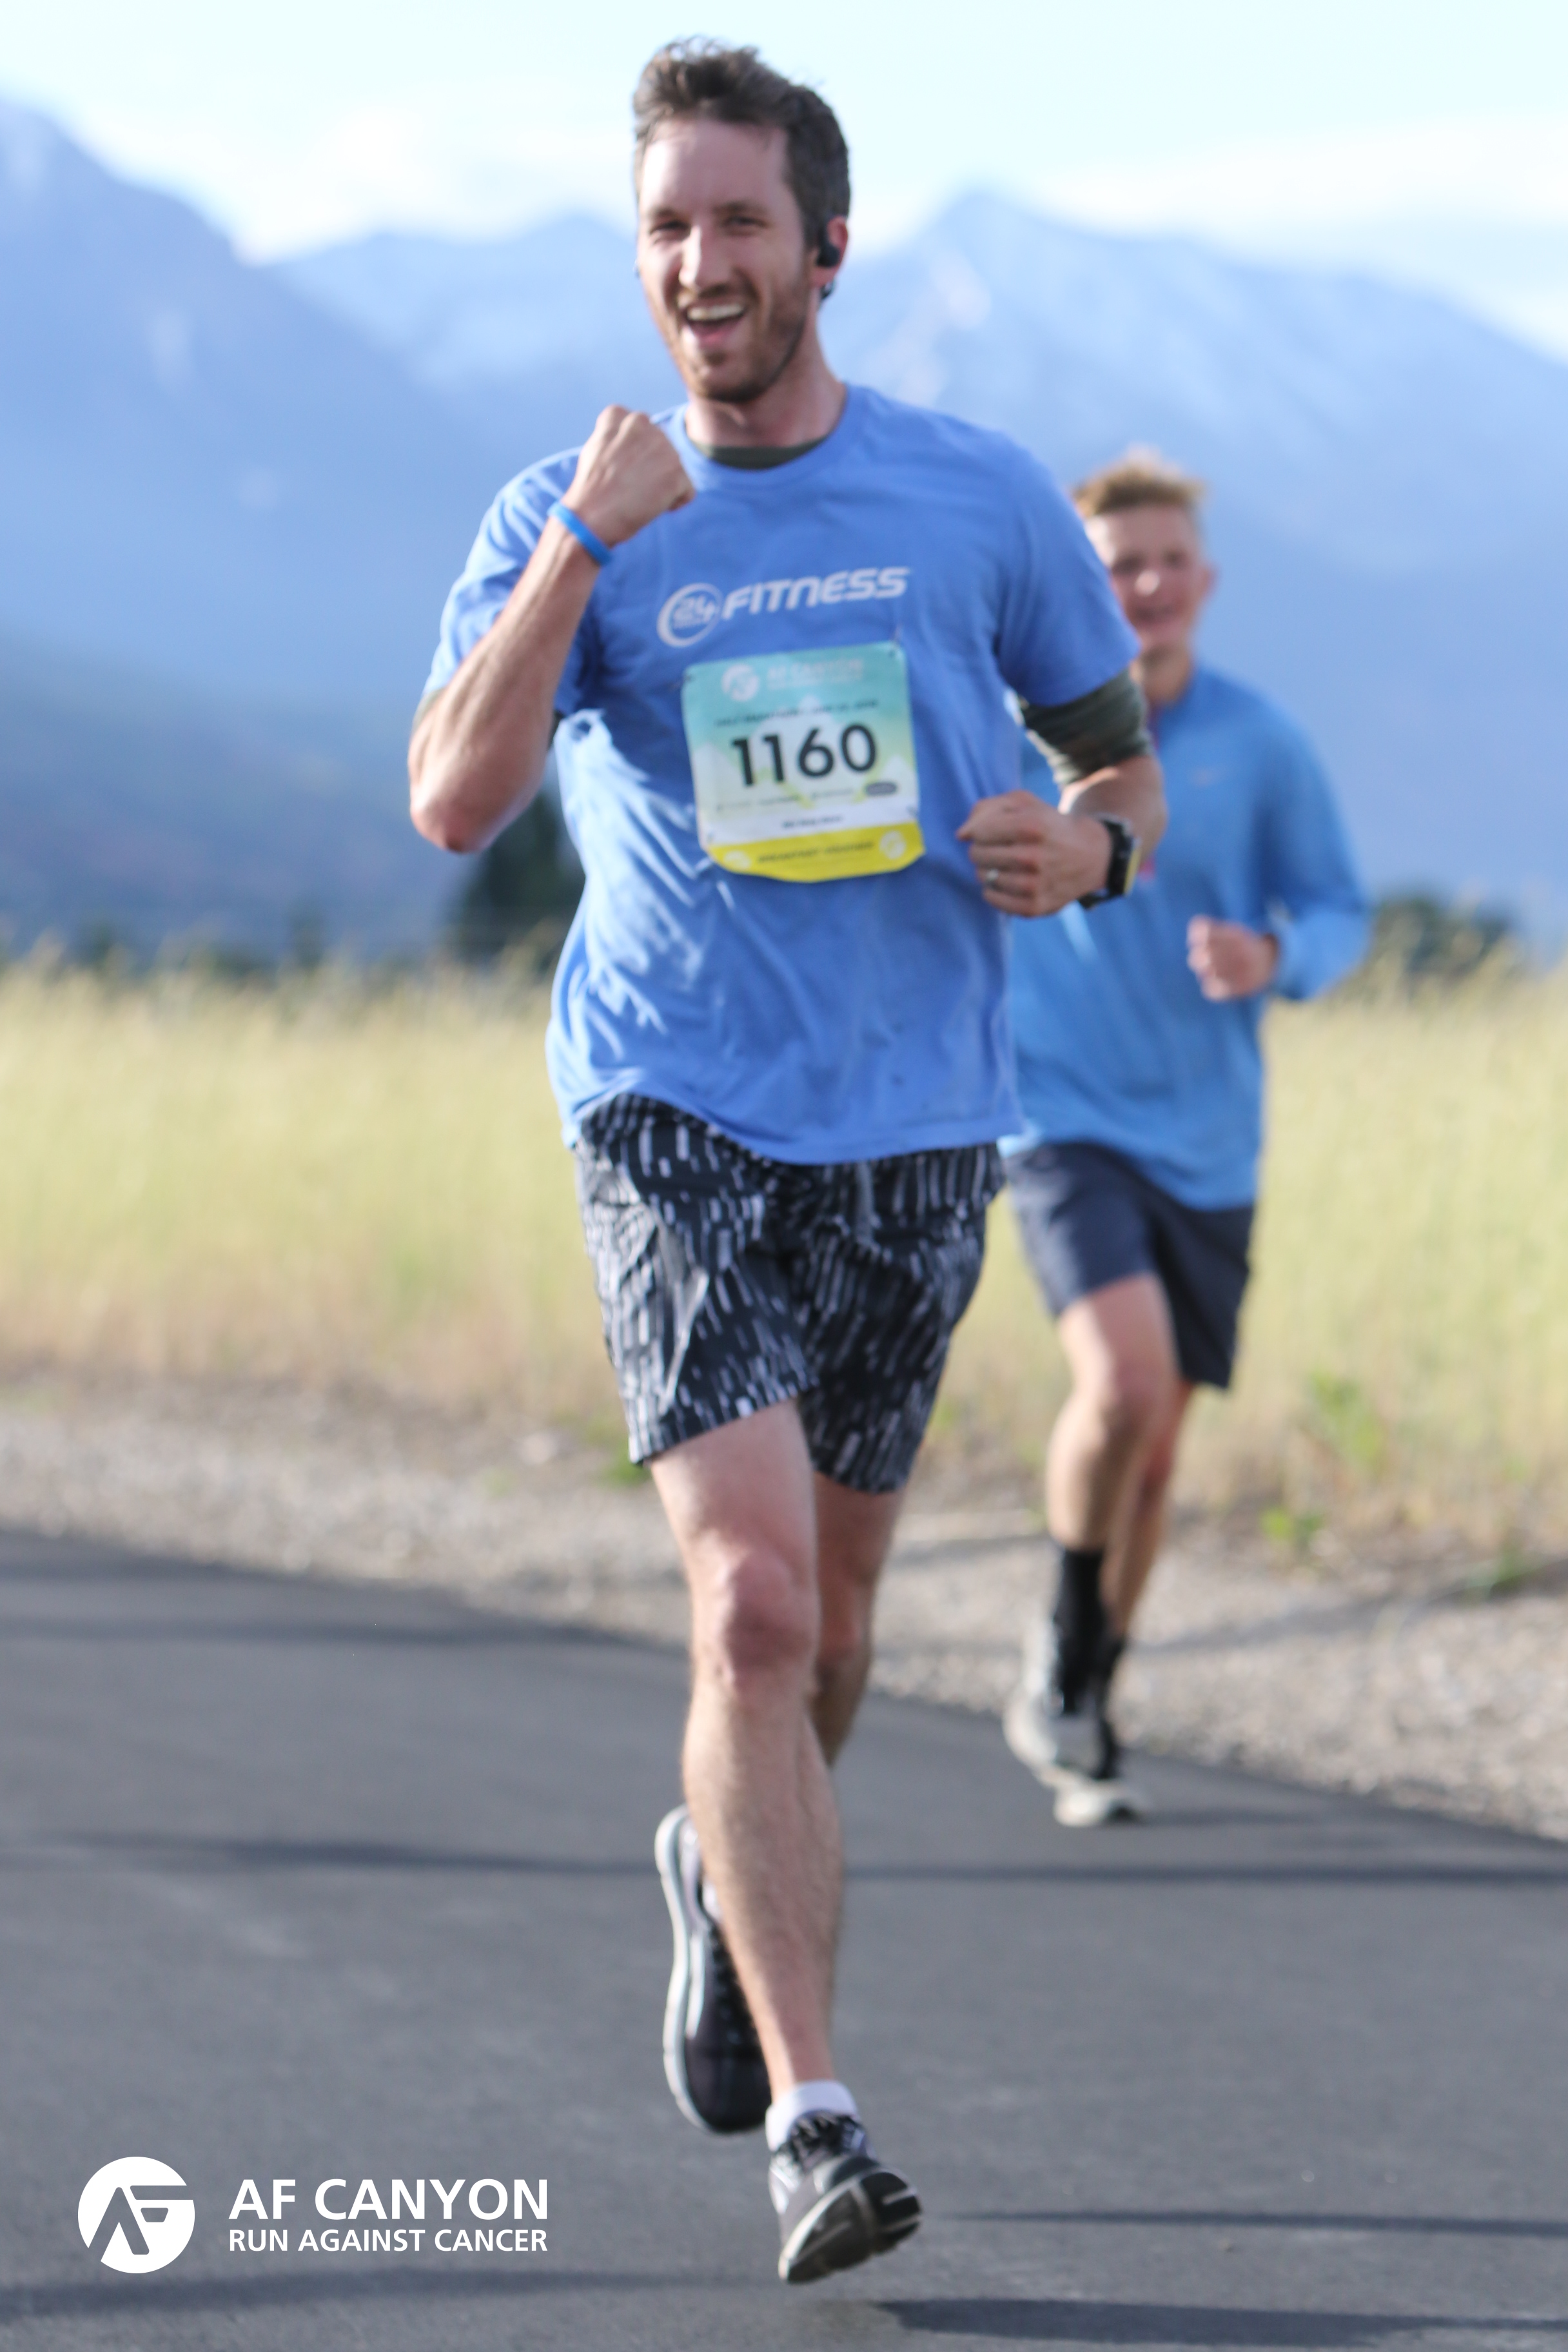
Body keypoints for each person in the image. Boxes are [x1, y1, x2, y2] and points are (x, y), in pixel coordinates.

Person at [409, 43, 1163, 2284]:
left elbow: (1122, 773)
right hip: (672, 1105)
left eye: (738, 220)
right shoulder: (570, 508)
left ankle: (712, 1862)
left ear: (826, 247)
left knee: (827, 1631)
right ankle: (817, 2119)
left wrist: (1088, 854)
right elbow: (452, 800)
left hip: (915, 1119)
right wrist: (583, 544)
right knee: (744, 1603)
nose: (699, 262)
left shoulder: (976, 496)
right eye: (665, 226)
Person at [1001, 449, 1369, 1827]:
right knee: (1123, 1383)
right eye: (1118, 566)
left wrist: (1278, 956)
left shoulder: (1260, 743)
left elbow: (1338, 909)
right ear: (1078, 584)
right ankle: (1060, 1634)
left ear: (1204, 581)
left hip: (1210, 1140)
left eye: (1167, 563)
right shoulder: (1014, 725)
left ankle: (1088, 1689)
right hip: (1057, 1119)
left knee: (1156, 1451)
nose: (1145, 586)